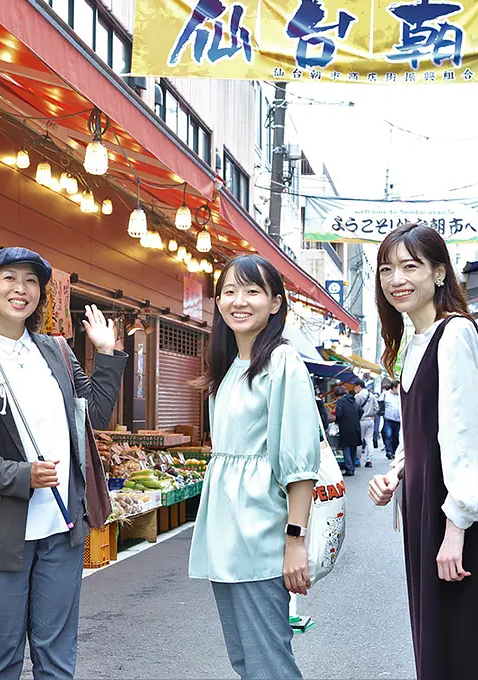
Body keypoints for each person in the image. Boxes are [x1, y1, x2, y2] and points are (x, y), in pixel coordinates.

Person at [0, 247, 127, 680]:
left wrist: (108, 354)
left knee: (57, 655)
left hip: (61, 528)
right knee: (2, 657)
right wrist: (20, 476)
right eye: (9, 279)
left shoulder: (56, 352)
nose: (20, 289)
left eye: (30, 281)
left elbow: (95, 415)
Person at [368, 224, 478, 680]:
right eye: (386, 269)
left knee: (469, 644)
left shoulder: (453, 332)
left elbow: (469, 432)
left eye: (410, 267)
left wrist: (456, 526)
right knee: (443, 638)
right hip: (429, 508)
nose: (396, 278)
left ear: (439, 273)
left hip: (455, 515)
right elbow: (426, 431)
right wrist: (396, 471)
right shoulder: (413, 340)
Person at [189, 254, 320, 680]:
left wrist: (294, 542)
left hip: (261, 534)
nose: (238, 301)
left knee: (268, 664)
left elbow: (300, 463)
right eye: (229, 291)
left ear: (276, 303)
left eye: (252, 291)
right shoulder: (229, 368)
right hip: (226, 537)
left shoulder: (283, 363)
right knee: (247, 662)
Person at [333, 386, 360, 476]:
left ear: (338, 396)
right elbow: (361, 411)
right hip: (355, 427)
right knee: (353, 448)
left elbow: (339, 414)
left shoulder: (341, 402)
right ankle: (352, 467)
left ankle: (349, 469)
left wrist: (338, 421)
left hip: (345, 427)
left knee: (346, 448)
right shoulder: (353, 399)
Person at [355, 378, 379, 468]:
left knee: (359, 440)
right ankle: (369, 460)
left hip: (361, 421)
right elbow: (376, 408)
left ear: (358, 386)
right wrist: (372, 414)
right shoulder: (371, 395)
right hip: (370, 420)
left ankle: (357, 459)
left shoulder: (358, 396)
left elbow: (355, 409)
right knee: (369, 440)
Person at [380, 379, 402, 460]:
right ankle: (389, 451)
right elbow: (380, 403)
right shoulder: (385, 394)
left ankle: (394, 451)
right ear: (393, 387)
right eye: (398, 388)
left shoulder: (400, 395)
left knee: (396, 436)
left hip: (398, 419)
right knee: (388, 435)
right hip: (388, 419)